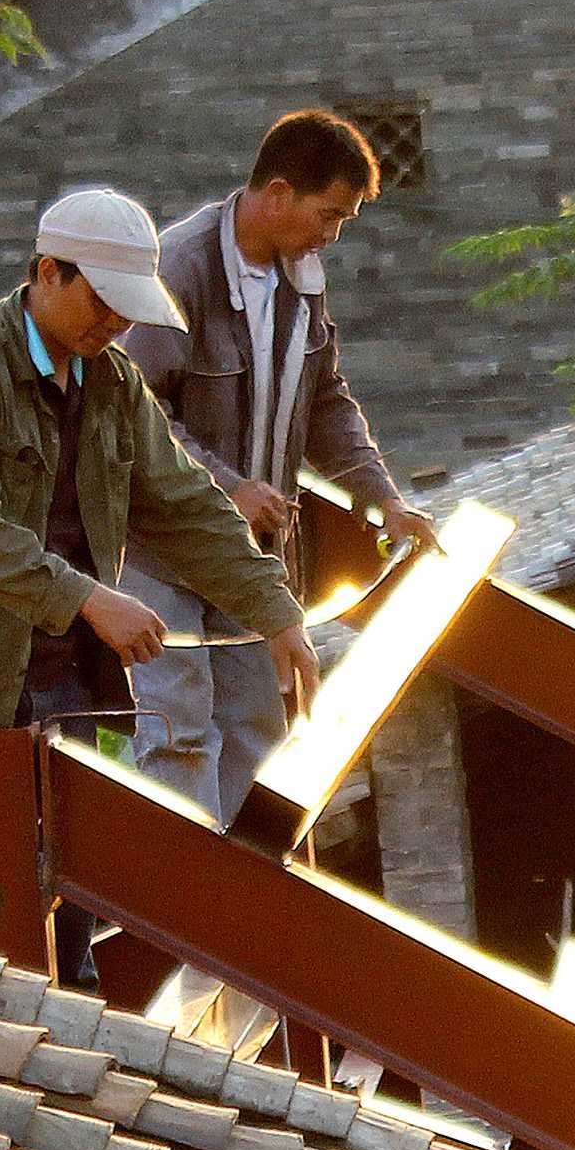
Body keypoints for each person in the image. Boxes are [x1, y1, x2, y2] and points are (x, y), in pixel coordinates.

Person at [0, 186, 321, 970]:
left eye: (129, 311)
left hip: (68, 673)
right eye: (104, 303)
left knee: (68, 908)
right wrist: (89, 598)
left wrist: (275, 611)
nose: (117, 326)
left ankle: (80, 1051)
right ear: (48, 274)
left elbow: (181, 504)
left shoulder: (110, 380)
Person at [120, 108, 440, 829]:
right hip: (157, 550)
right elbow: (131, 415)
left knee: (260, 730)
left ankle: (246, 908)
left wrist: (383, 497)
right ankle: (184, 920)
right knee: (178, 736)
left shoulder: (304, 277)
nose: (332, 234)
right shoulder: (179, 268)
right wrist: (229, 488)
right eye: (328, 214)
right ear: (277, 194)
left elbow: (326, 399)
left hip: (251, 557)